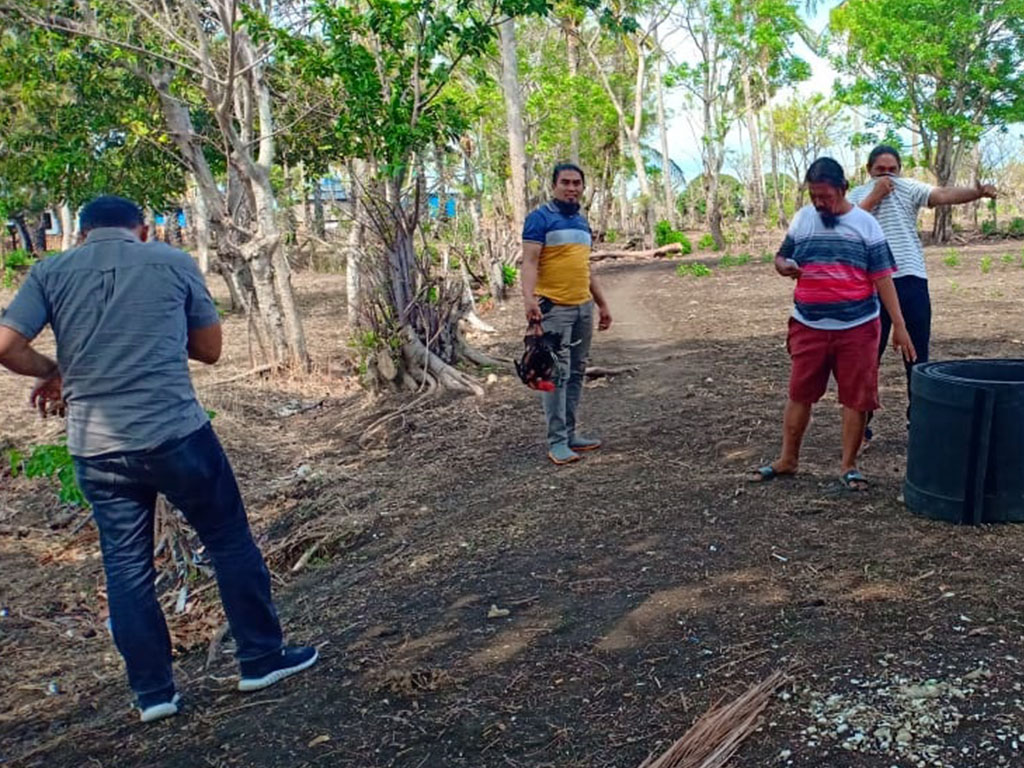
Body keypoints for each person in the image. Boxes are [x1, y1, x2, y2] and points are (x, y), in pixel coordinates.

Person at [0, 196, 317, 723]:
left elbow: (7, 345)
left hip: (96, 448)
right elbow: (211, 348)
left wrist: (56, 367)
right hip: (175, 434)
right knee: (228, 541)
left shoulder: (50, 271)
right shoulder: (171, 262)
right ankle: (261, 658)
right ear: (143, 230)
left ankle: (154, 695)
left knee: (127, 569)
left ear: (80, 235)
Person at [754, 158, 916, 490]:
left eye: (825, 196)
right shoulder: (803, 219)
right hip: (808, 324)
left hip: (858, 327)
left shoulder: (865, 224)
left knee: (856, 398)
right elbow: (782, 256)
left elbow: (882, 278)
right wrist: (783, 266)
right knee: (800, 393)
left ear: (842, 189)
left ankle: (848, 466)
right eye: (814, 196)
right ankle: (788, 459)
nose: (819, 203)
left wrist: (899, 325)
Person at [848, 145, 998, 437]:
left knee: (916, 354)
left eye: (893, 169)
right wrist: (875, 195)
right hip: (870, 284)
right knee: (868, 356)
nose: (888, 175)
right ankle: (860, 425)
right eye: (881, 170)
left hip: (911, 278)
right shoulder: (856, 195)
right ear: (869, 170)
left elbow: (941, 195)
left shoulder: (908, 188)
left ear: (900, 169)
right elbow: (848, 225)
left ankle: (918, 420)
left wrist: (976, 192)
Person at [521, 163, 613, 465]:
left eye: (577, 183)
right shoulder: (539, 219)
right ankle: (557, 441)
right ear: (554, 185)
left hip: (582, 307)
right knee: (555, 375)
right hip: (554, 308)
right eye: (565, 182)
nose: (571, 188)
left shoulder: (582, 224)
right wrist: (529, 300)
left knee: (576, 372)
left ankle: (571, 434)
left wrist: (602, 304)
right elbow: (530, 263)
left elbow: (586, 269)